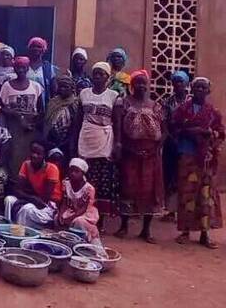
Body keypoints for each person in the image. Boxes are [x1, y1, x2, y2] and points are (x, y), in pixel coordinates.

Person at [171, 77, 225, 249]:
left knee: (206, 195)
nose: (200, 90)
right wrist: (188, 131)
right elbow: (173, 128)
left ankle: (205, 234)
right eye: (197, 87)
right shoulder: (182, 109)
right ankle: (185, 231)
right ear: (191, 89)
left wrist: (207, 133)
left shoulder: (213, 112)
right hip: (187, 155)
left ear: (208, 91)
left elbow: (221, 133)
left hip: (206, 159)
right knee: (187, 193)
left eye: (203, 87)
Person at [114, 70, 165, 243]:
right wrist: (123, 147)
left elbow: (164, 131)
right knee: (128, 187)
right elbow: (118, 128)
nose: (141, 86)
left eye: (144, 83)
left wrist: (156, 149)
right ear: (132, 85)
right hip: (131, 152)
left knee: (150, 190)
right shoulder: (124, 102)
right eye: (138, 83)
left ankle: (146, 229)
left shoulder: (155, 105)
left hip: (151, 154)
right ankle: (124, 225)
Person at [77, 62, 120, 229]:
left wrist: (118, 143)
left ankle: (99, 220)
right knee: (85, 179)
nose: (97, 77)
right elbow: (78, 120)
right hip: (86, 137)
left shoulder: (113, 96)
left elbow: (117, 122)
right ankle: (82, 215)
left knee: (101, 182)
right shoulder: (84, 94)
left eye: (101, 74)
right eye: (95, 73)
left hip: (104, 140)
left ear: (107, 77)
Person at [0, 56, 44, 181]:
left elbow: (40, 109)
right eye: (18, 67)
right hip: (13, 127)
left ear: (27, 68)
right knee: (14, 156)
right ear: (14, 68)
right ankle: (14, 183)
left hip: (30, 128)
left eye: (24, 67)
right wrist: (17, 116)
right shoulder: (7, 86)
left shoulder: (36, 86)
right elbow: (1, 107)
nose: (21, 70)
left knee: (29, 155)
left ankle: (28, 183)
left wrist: (33, 123)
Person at [5, 140, 62, 228]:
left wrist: (26, 198)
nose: (34, 155)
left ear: (44, 156)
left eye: (38, 154)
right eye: (33, 152)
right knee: (9, 200)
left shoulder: (52, 169)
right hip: (33, 199)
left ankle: (20, 232)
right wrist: (30, 198)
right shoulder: (26, 164)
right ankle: (8, 226)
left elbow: (44, 200)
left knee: (26, 208)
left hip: (49, 206)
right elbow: (17, 189)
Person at [162, 70, 190, 219]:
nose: (178, 84)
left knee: (184, 176)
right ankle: (171, 211)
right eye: (175, 81)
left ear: (186, 84)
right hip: (171, 142)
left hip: (187, 143)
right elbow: (164, 122)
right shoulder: (168, 102)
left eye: (181, 81)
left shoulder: (191, 101)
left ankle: (183, 211)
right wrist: (170, 137)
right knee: (170, 175)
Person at [56, 158, 101, 245]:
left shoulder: (89, 189)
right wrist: (61, 214)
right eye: (71, 170)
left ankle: (84, 244)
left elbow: (84, 208)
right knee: (57, 218)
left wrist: (70, 218)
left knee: (78, 221)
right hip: (71, 209)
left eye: (77, 171)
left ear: (83, 173)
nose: (73, 173)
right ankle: (65, 242)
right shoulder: (66, 183)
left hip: (85, 213)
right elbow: (65, 202)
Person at [44, 76, 81, 162]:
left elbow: (76, 124)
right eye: (61, 86)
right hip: (51, 140)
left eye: (66, 87)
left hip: (68, 141)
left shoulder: (76, 103)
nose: (62, 89)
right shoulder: (52, 102)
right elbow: (46, 122)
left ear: (72, 89)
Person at [27, 37, 59, 107]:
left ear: (43, 50)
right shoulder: (24, 65)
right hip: (26, 103)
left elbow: (54, 89)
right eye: (33, 46)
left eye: (39, 47)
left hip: (43, 104)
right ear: (29, 48)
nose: (35, 48)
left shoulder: (48, 68)